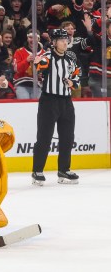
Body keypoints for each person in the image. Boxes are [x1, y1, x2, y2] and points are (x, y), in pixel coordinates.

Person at [32, 28, 81, 186]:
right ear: (53, 43)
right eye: (61, 40)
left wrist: (72, 82)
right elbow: (39, 66)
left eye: (66, 39)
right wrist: (38, 63)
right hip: (49, 101)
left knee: (67, 137)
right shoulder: (47, 56)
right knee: (44, 137)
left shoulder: (70, 60)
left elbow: (77, 79)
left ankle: (63, 170)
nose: (65, 42)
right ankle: (37, 171)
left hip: (66, 102)